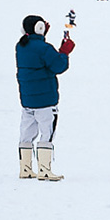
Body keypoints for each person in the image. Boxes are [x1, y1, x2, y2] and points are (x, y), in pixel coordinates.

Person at [15, 15, 75, 181]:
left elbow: (35, 49)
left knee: (26, 134)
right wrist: (64, 52)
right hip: (46, 101)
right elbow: (59, 66)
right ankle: (44, 170)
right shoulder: (44, 48)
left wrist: (40, 36)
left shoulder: (21, 46)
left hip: (27, 100)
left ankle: (25, 168)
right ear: (40, 28)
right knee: (46, 133)